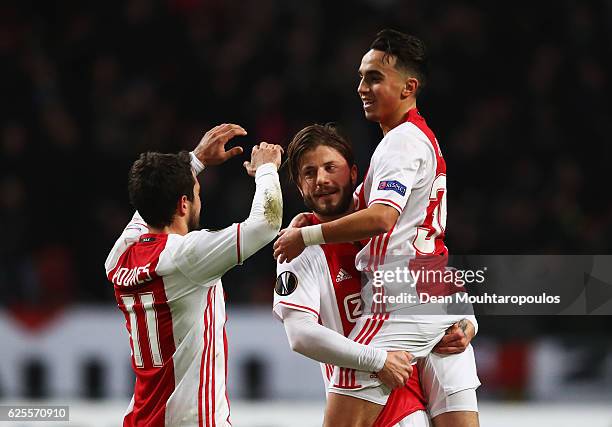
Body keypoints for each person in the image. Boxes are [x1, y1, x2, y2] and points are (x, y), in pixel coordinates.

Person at [273, 30, 480, 427]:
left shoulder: (400, 143)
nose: (362, 87)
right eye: (361, 77)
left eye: (373, 78)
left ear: (409, 87)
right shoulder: (422, 141)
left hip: (399, 303)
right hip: (437, 299)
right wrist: (468, 319)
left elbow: (382, 217)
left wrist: (305, 235)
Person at [104, 123, 283, 426]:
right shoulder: (186, 257)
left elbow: (147, 200)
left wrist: (196, 159)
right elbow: (267, 222)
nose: (200, 199)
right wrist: (267, 170)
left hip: (141, 419)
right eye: (197, 193)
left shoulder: (119, 257)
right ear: (184, 204)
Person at [274, 124, 429, 427]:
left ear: (354, 173)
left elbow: (436, 264)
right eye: (309, 173)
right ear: (300, 187)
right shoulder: (297, 248)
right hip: (357, 402)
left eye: (331, 167)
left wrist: (466, 322)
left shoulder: (387, 217)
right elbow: (300, 335)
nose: (321, 180)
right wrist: (378, 360)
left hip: (410, 398)